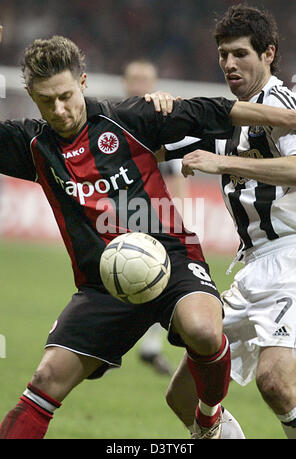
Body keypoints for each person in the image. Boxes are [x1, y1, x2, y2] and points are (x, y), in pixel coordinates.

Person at [0, 36, 296, 441]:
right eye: (45, 101)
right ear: (32, 98)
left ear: (84, 82)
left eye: (66, 96)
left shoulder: (131, 117)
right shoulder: (32, 145)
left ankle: (209, 416)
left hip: (171, 260)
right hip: (103, 285)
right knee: (45, 378)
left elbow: (217, 110)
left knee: (206, 332)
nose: (59, 109)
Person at [161, 4, 296, 439]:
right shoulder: (231, 114)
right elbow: (161, 144)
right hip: (254, 265)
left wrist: (222, 162)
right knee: (184, 395)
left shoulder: (277, 102)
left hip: (292, 259)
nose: (229, 63)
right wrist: (156, 106)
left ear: (268, 54)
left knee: (275, 381)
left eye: (240, 53)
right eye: (223, 54)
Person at [122, 59, 174, 376]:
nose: (140, 84)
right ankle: (108, 344)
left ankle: (150, 344)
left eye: (145, 79)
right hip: (116, 213)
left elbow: (176, 171)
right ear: (125, 83)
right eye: (135, 78)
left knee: (161, 279)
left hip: (155, 214)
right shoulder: (108, 120)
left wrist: (180, 212)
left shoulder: (162, 124)